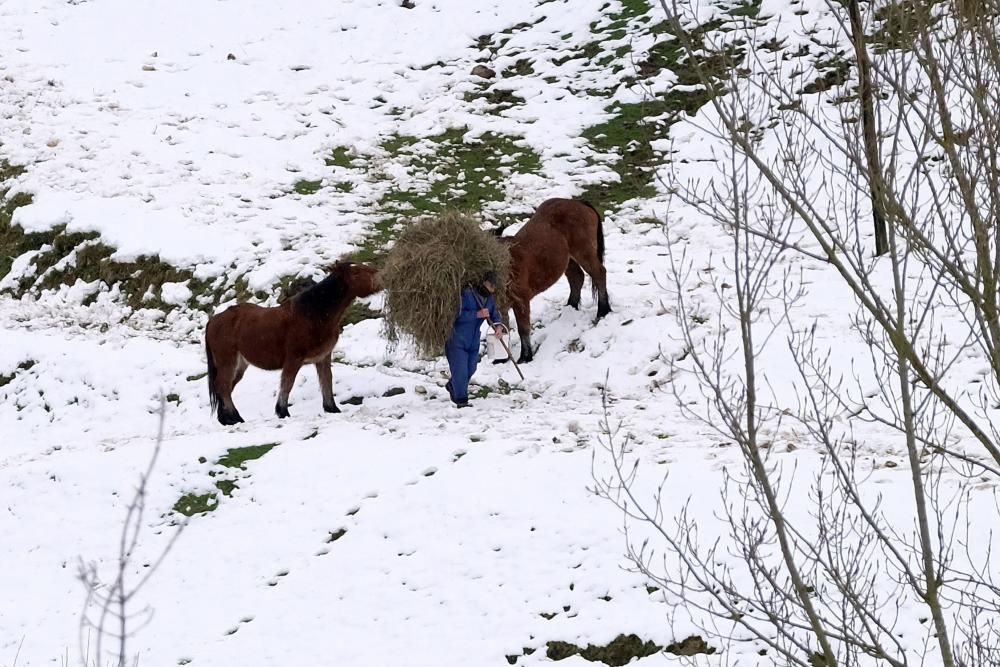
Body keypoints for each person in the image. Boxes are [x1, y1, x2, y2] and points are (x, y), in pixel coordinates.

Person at [444, 272, 504, 408]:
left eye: (493, 288)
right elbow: (455, 314)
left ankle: (453, 386)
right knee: (461, 372)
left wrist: (498, 327)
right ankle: (461, 401)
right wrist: (476, 314)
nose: (491, 289)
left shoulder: (489, 300)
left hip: (474, 339)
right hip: (457, 338)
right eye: (489, 285)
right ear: (483, 282)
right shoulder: (467, 293)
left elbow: (494, 315)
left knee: (471, 368)